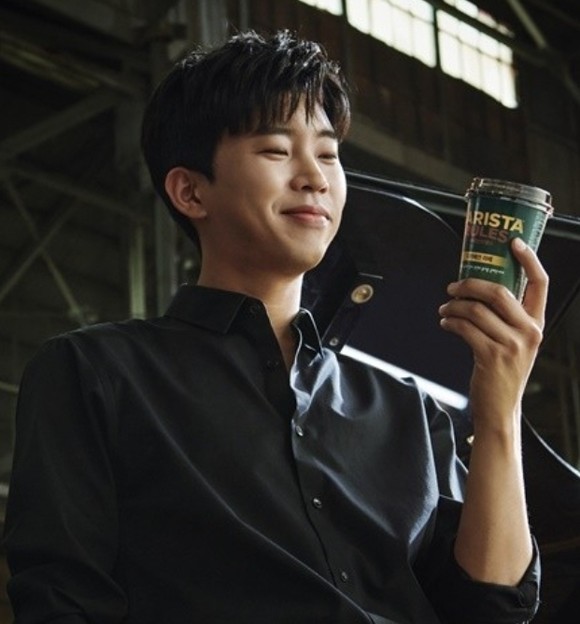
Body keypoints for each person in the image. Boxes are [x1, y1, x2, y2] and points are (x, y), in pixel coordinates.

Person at [2, 30, 547, 624]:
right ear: (190, 191)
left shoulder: (411, 414)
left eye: (329, 154)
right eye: (276, 150)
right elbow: (63, 602)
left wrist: (500, 411)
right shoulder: (95, 374)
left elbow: (490, 610)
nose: (315, 177)